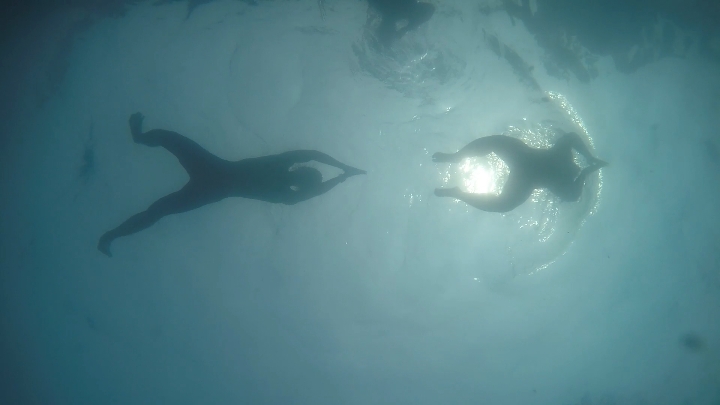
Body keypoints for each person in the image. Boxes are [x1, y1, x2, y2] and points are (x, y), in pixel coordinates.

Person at [97, 113, 365, 257]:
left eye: (306, 178)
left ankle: (111, 236)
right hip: (215, 171)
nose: (303, 176)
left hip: (213, 187)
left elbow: (314, 177)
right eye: (306, 175)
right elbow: (312, 155)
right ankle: (141, 138)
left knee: (159, 210)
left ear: (302, 179)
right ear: (302, 172)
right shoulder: (283, 174)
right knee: (171, 140)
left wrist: (341, 174)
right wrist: (342, 170)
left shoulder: (285, 191)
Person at [432, 132, 607, 212]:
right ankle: (457, 160)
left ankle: (458, 187)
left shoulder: (563, 161)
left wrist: (586, 169)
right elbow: (572, 137)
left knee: (503, 205)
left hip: (524, 169)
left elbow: (573, 196)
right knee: (495, 142)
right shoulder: (563, 157)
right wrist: (588, 164)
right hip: (524, 160)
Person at [367, 0, 436, 46]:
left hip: (387, 10)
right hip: (386, 9)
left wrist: (403, 30)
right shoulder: (395, 15)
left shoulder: (413, 13)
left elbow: (410, 26)